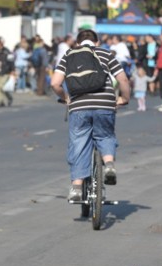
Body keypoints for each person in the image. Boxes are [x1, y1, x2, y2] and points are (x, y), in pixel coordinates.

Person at [50, 29, 130, 201]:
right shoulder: (105, 54)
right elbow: (123, 79)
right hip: (105, 104)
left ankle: (77, 187)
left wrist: (66, 98)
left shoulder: (69, 55)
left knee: (78, 142)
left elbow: (55, 83)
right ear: (97, 43)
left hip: (79, 106)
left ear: (77, 44)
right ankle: (109, 164)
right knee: (105, 135)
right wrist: (124, 97)